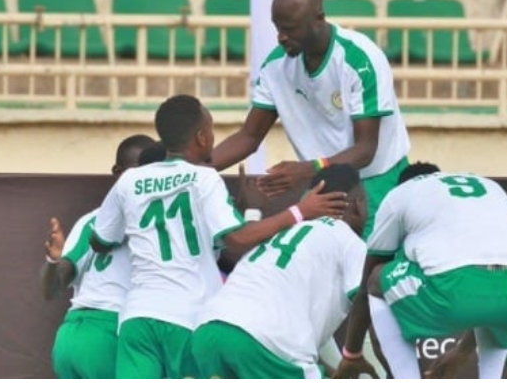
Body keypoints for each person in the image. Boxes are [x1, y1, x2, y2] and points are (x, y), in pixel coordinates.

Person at [88, 94, 348, 378]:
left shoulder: (129, 180)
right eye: (211, 130)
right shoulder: (204, 178)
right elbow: (236, 240)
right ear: (201, 137)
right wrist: (300, 210)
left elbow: (100, 241)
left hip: (137, 318)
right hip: (188, 316)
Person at [210, 0, 410, 241]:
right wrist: (188, 169)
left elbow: (365, 150)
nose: (281, 37)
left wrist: (307, 169)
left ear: (319, 19)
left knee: (367, 275)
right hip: (323, 185)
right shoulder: (275, 67)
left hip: (377, 182)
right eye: (277, 27)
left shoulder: (360, 59)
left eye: (290, 29)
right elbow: (249, 137)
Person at [334, 162, 507, 379]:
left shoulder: (400, 195)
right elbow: (488, 290)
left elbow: (366, 286)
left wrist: (351, 353)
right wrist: (463, 351)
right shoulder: (489, 187)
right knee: (494, 291)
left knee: (376, 279)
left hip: (454, 288)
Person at [192, 164, 371, 379]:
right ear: (359, 205)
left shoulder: (281, 233)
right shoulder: (350, 242)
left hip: (208, 331)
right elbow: (365, 300)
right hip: (264, 343)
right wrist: (353, 355)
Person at [40, 134, 158, 379]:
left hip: (70, 339)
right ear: (117, 172)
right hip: (110, 334)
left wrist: (55, 262)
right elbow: (55, 283)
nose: (144, 181)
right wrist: (53, 262)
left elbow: (54, 286)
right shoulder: (156, 219)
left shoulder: (92, 219)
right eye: (137, 173)